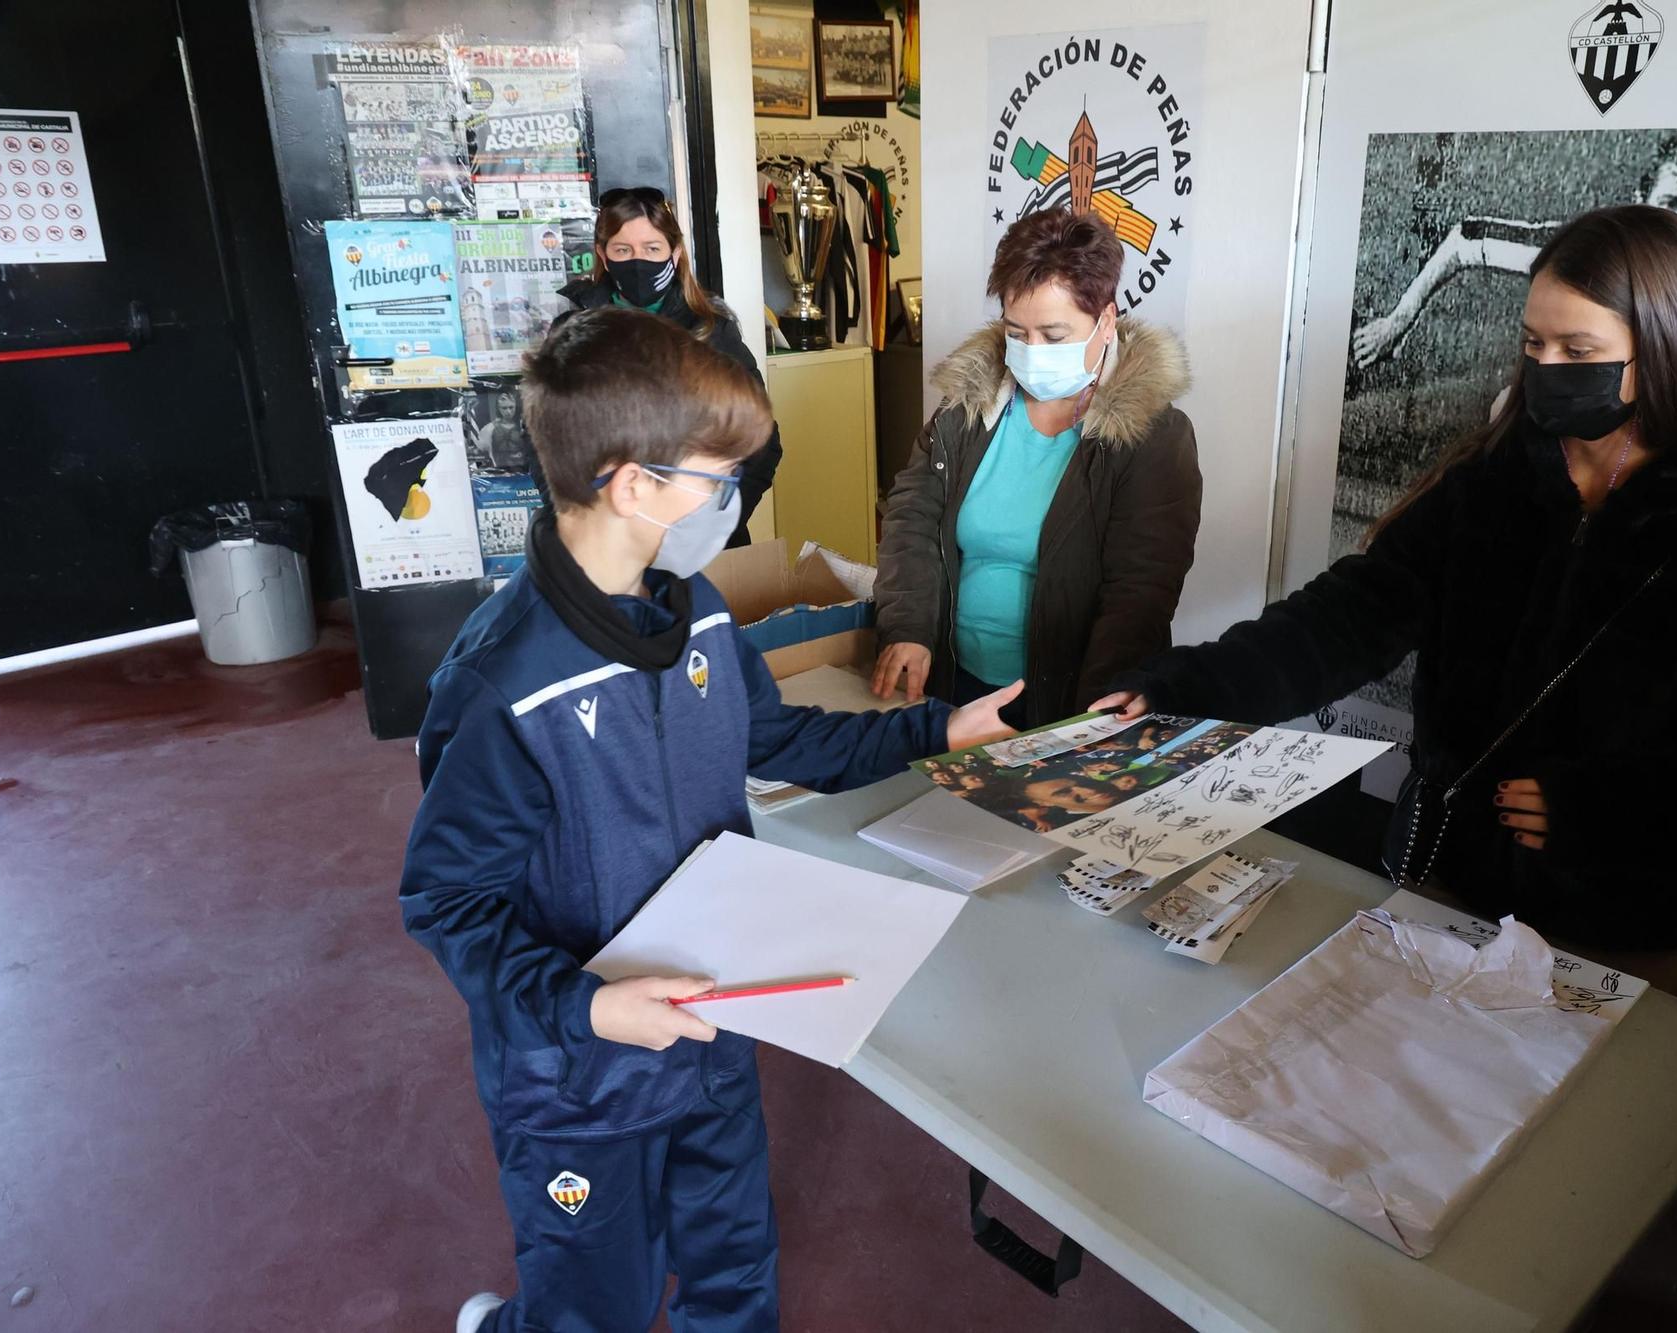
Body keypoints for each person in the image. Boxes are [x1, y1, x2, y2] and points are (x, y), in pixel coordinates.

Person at [400, 308, 1017, 1333]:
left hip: (715, 1020)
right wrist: (588, 1006)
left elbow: (782, 741)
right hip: (576, 1071)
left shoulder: (697, 611)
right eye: (717, 474)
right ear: (635, 484)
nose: (731, 498)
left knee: (734, 1272)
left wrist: (940, 728)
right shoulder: (506, 683)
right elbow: (447, 904)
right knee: (596, 1299)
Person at [1098, 205, 1677, 995]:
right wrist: (1184, 690)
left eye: (1578, 350)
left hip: (1622, 930)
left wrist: (1610, 815)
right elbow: (1344, 619)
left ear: (1662, 349)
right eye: (1532, 343)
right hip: (1448, 887)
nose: (1547, 367)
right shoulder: (1486, 487)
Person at [870, 207, 1202, 728]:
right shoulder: (967, 409)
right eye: (1016, 333)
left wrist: (1094, 719)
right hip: (952, 683)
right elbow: (912, 518)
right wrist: (908, 628)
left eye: (1053, 335)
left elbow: (1139, 592)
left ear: (1107, 321)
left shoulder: (1152, 437)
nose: (1031, 352)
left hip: (1066, 700)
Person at [1353, 131, 1677, 397]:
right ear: (1644, 199)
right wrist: (1396, 323)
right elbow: (1466, 239)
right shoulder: (1593, 247)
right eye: (1671, 203)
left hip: (1655, 415)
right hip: (1581, 400)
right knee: (1508, 406)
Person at [556, 185, 782, 546]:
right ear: (602, 254)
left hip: (700, 539)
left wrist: (722, 519)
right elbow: (544, 439)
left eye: (652, 248)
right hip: (607, 540)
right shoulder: (573, 333)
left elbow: (760, 436)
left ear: (674, 254)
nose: (638, 262)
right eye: (622, 250)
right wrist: (576, 517)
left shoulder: (711, 330)